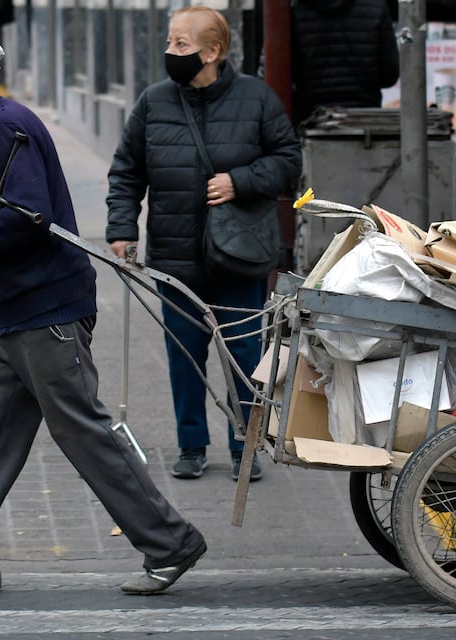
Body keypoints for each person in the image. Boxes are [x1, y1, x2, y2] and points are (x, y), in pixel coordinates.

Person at [0, 35, 206, 595]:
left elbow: (28, 216)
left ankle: (170, 542)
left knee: (83, 430)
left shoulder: (5, 129)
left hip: (47, 311)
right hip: (16, 312)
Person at [105, 7, 301, 482]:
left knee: (244, 359)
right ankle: (191, 444)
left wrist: (240, 181)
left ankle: (244, 445)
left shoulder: (257, 99)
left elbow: (288, 162)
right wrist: (122, 229)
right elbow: (127, 171)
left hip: (239, 255)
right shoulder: (153, 103)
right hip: (176, 257)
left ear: (212, 52)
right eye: (170, 42)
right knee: (184, 356)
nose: (170, 52)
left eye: (180, 45)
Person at [290, 0, 400, 123]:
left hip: (312, 120)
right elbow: (389, 75)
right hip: (365, 117)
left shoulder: (294, 9)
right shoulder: (377, 6)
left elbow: (285, 74)